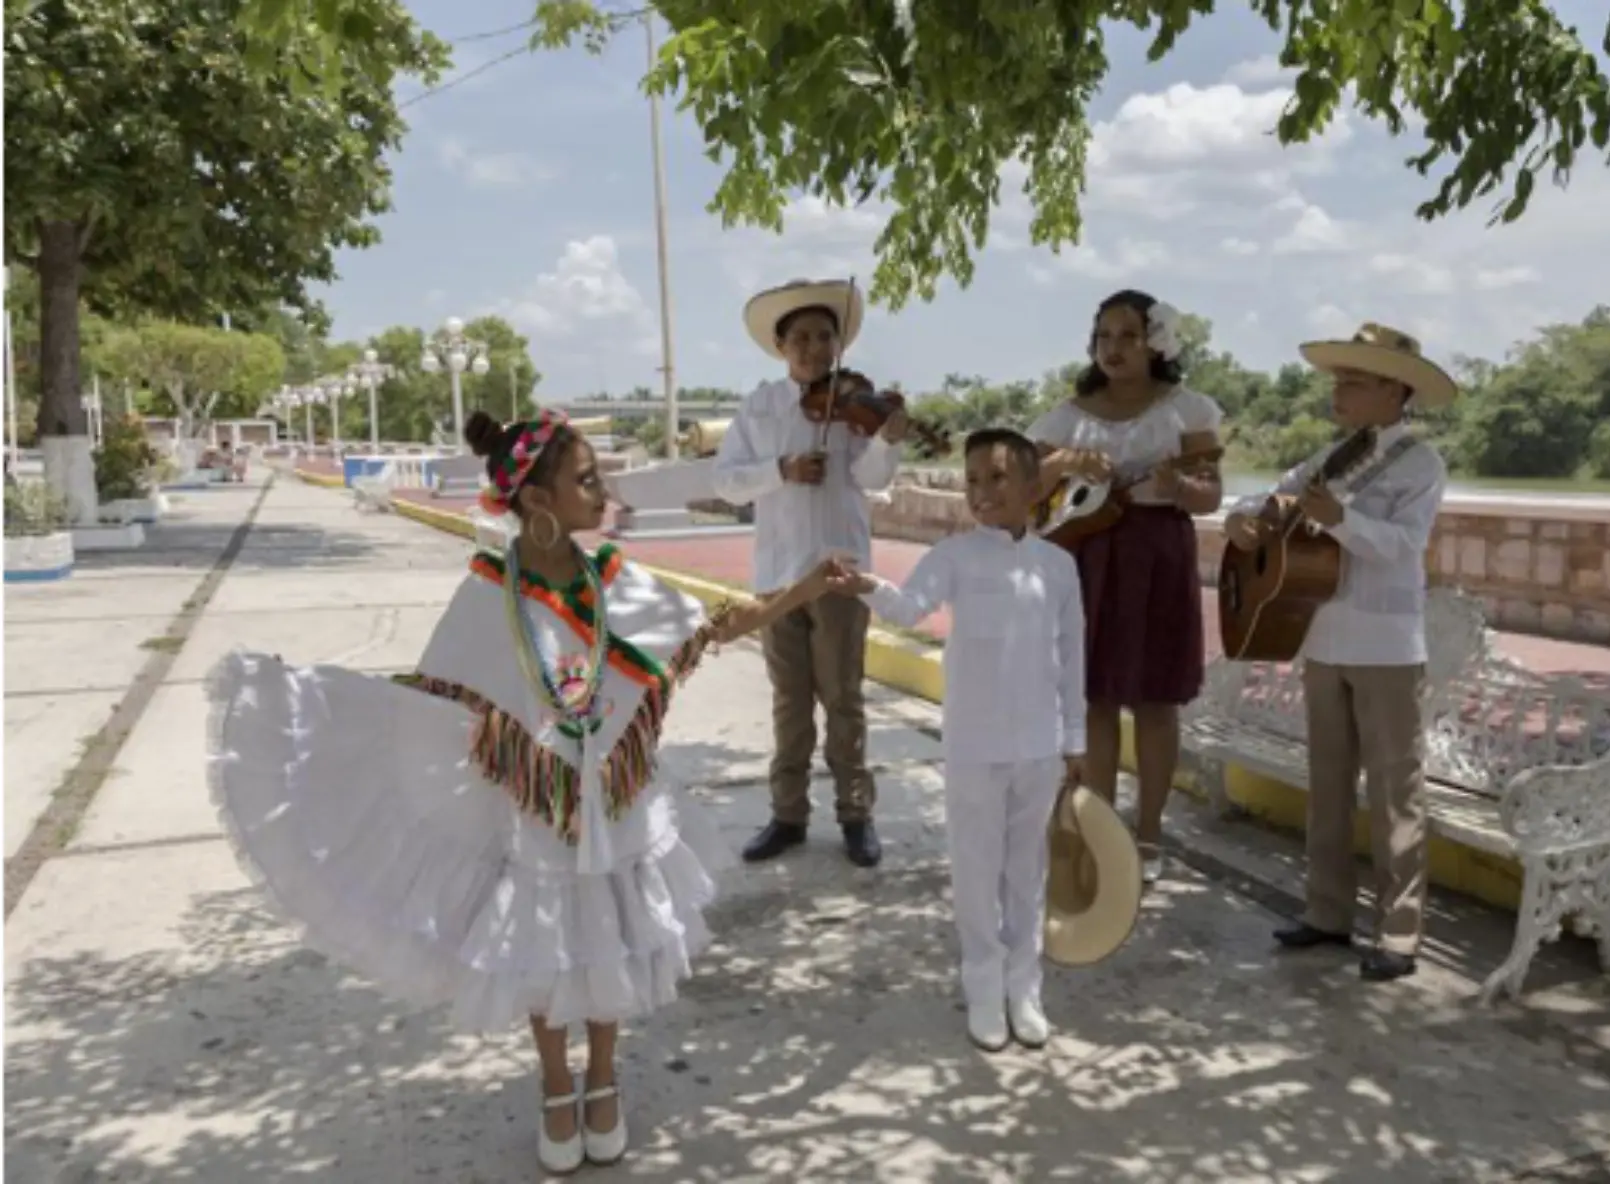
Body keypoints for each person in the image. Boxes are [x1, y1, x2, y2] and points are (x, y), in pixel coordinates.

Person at [207, 408, 838, 1175]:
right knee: (548, 943)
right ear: (536, 500)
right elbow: (438, 697)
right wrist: (315, 700)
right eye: (584, 479)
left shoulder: (612, 578)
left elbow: (707, 626)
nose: (601, 490)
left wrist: (803, 589)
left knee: (611, 933)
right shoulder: (489, 590)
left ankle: (602, 1078)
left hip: (617, 797)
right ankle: (555, 1083)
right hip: (536, 806)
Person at [827, 428, 1086, 1051]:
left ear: (1033, 486)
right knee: (975, 869)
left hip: (1039, 744)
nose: (983, 492)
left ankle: (1025, 988)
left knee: (1028, 871)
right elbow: (911, 606)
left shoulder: (1059, 566)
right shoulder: (957, 555)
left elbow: (1072, 653)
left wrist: (1074, 736)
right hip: (975, 742)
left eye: (998, 478)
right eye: (973, 480)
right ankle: (982, 985)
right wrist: (868, 587)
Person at [1222, 323, 1456, 983]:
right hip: (1324, 636)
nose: (1339, 391)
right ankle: (1326, 912)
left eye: (1354, 380)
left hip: (1387, 644)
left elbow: (1403, 545)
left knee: (1394, 792)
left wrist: (1339, 520)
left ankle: (1400, 933)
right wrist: (1243, 519)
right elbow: (1268, 499)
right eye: (1339, 378)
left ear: (1393, 390)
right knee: (1326, 785)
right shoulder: (1328, 458)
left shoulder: (1420, 463)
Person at [1026, 290, 1225, 885]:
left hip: (1160, 552)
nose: (1113, 348)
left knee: (1157, 700)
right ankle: (1101, 831)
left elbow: (1210, 493)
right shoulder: (1069, 414)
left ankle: (1151, 834)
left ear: (1155, 342)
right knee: (1097, 698)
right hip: (1088, 554)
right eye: (1104, 336)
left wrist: (1180, 487)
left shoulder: (1188, 410)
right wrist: (1065, 465)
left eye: (1128, 336)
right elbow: (1027, 486)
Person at [713, 278, 910, 869]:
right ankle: (788, 815)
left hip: (839, 573)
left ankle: (856, 814)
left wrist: (888, 438)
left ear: (838, 344)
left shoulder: (856, 406)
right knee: (789, 704)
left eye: (825, 337)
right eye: (801, 338)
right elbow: (726, 481)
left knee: (844, 700)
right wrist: (782, 468)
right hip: (778, 575)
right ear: (781, 347)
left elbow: (874, 479)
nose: (814, 348)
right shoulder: (761, 406)